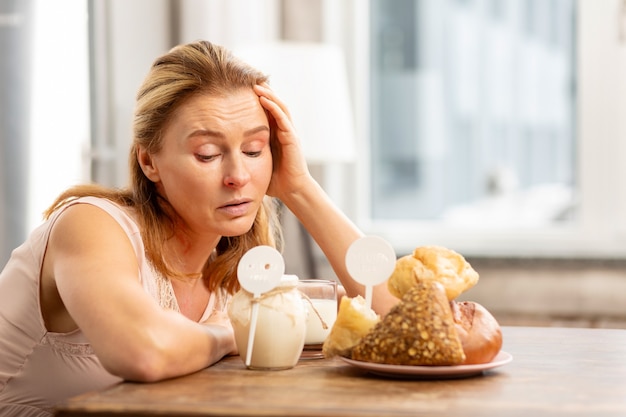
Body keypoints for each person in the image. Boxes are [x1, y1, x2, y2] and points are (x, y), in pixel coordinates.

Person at [0, 40, 398, 416]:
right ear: (149, 162)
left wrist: (300, 187)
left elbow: (396, 320)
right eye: (207, 154)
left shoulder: (239, 270)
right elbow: (145, 351)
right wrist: (236, 329)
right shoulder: (90, 225)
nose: (238, 175)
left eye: (255, 150)